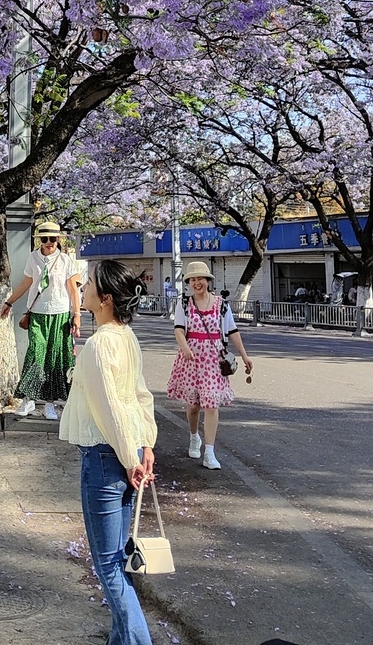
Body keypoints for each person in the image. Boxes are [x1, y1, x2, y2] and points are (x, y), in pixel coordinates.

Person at [61, 259, 158, 645]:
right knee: (117, 559)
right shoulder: (125, 336)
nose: (81, 288)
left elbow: (111, 409)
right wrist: (145, 445)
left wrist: (133, 457)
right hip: (126, 449)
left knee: (107, 565)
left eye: (88, 285)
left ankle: (137, 641)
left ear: (104, 299)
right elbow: (140, 397)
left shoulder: (102, 343)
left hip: (106, 457)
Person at [167, 259, 253, 469]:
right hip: (192, 360)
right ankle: (194, 435)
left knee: (211, 405)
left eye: (200, 279)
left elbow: (232, 331)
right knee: (194, 405)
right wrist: (185, 347)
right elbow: (178, 329)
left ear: (208, 281)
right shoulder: (184, 303)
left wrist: (244, 356)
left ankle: (210, 452)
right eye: (192, 280)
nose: (197, 283)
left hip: (213, 360)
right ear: (188, 283)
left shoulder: (221, 305)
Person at [0, 220, 81, 419]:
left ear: (58, 239)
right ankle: (29, 399)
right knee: (36, 353)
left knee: (54, 358)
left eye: (53, 239)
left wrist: (76, 315)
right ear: (40, 241)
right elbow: (26, 283)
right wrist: (9, 302)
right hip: (37, 313)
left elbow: (73, 289)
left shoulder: (65, 261)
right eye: (45, 239)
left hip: (60, 315)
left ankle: (50, 404)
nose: (49, 243)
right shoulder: (33, 258)